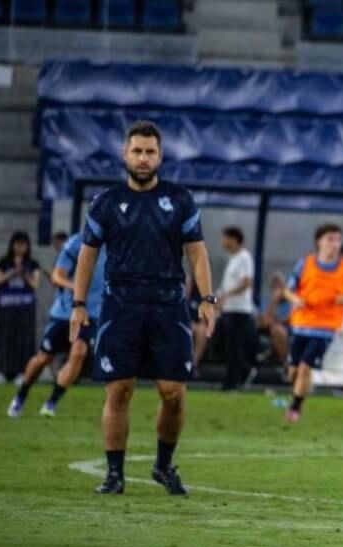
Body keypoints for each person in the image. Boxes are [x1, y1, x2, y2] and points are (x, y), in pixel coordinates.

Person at [69, 120, 216, 496]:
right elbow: (87, 256)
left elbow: (197, 253)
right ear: (125, 154)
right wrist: (79, 304)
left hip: (169, 307)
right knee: (119, 390)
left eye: (150, 152)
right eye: (137, 151)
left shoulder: (180, 200)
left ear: (160, 156)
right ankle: (114, 474)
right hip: (121, 307)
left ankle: (163, 466)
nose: (143, 158)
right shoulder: (105, 203)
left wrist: (207, 298)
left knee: (173, 393)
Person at [7, 232, 106, 418]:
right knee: (44, 358)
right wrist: (77, 289)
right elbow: (57, 276)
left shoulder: (117, 243)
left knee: (79, 353)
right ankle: (21, 395)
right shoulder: (77, 243)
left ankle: (51, 402)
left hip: (91, 314)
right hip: (65, 311)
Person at [282, 224, 343, 422]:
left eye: (338, 240)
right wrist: (295, 299)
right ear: (319, 241)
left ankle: (295, 408)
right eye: (330, 239)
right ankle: (298, 393)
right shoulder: (305, 264)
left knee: (305, 367)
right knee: (293, 371)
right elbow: (288, 290)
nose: (335, 244)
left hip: (325, 328)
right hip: (301, 324)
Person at [0, 231, 41, 385]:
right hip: (7, 305)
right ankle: (2, 371)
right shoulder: (4, 262)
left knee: (24, 339)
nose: (20, 247)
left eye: (23, 244)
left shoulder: (32, 263)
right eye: (17, 244)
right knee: (5, 337)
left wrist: (24, 274)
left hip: (26, 306)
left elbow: (35, 284)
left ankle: (23, 372)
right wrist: (12, 272)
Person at [217, 226, 257, 391]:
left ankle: (233, 380)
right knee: (229, 346)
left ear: (234, 239)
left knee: (233, 346)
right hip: (228, 309)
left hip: (239, 310)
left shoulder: (244, 258)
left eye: (225, 238)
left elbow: (247, 282)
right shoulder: (233, 259)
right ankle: (244, 372)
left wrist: (227, 294)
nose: (222, 242)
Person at [257, 272, 290, 367]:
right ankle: (286, 362)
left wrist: (278, 319)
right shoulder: (267, 301)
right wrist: (274, 302)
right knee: (277, 329)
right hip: (273, 330)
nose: (278, 290)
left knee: (279, 329)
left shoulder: (290, 302)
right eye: (275, 287)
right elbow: (265, 321)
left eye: (280, 286)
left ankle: (287, 361)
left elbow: (290, 319)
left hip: (290, 329)